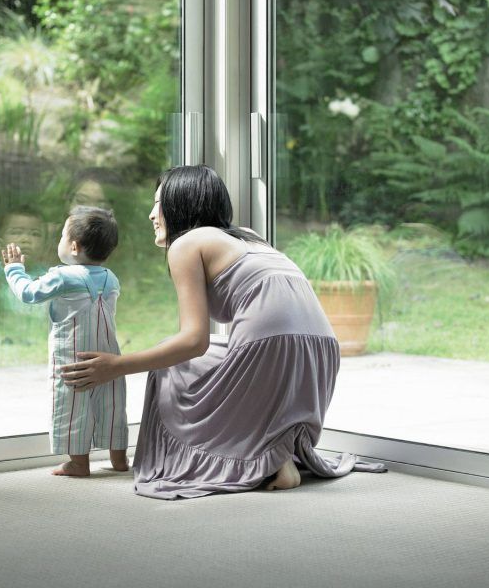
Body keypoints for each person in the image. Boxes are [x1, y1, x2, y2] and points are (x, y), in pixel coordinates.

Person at [58, 164, 385, 499]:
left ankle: (262, 458)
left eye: (159, 204)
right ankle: (278, 451)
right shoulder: (246, 236)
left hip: (270, 347)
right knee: (203, 354)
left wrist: (116, 366)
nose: (152, 214)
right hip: (321, 353)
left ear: (179, 205)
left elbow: (193, 341)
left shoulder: (186, 245)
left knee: (171, 361)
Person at [2, 206, 129, 477]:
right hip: (109, 359)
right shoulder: (111, 279)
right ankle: (119, 460)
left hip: (73, 359)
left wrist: (14, 269)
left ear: (73, 246)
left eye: (61, 235)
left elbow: (29, 293)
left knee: (73, 408)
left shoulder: (63, 276)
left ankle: (79, 463)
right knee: (112, 406)